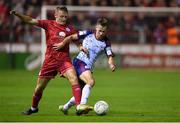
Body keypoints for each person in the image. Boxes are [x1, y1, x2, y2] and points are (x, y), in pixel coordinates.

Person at [10, 6, 91, 115]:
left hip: (64, 60)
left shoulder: (70, 29)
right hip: (49, 61)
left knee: (73, 78)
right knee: (39, 88)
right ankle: (34, 108)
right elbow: (30, 20)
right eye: (61, 16)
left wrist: (80, 47)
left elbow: (76, 40)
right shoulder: (48, 24)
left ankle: (78, 106)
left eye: (65, 17)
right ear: (55, 15)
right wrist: (17, 14)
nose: (63, 19)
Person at [53, 17, 116, 115]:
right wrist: (63, 44)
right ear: (96, 28)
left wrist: (111, 64)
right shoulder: (88, 33)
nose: (101, 33)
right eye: (99, 31)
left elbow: (110, 55)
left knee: (81, 92)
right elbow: (71, 37)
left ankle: (65, 107)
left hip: (87, 67)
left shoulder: (106, 42)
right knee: (91, 81)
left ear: (106, 31)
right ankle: (82, 105)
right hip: (80, 62)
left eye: (103, 31)